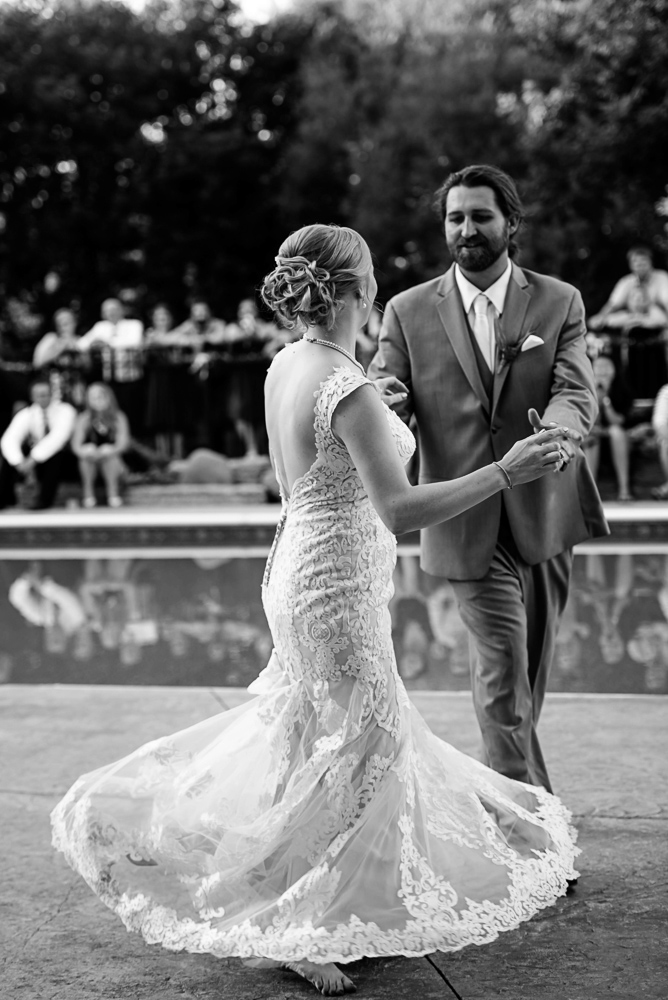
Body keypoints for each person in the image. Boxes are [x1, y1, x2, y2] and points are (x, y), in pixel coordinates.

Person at [53, 224, 579, 997]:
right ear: (356, 290)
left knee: (317, 736)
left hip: (297, 568)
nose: (377, 285)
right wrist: (507, 469)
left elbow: (303, 463)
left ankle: (301, 884)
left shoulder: (292, 366)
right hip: (334, 588)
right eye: (371, 275)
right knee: (359, 745)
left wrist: (375, 407)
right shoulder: (349, 386)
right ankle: (297, 919)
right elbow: (397, 511)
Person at [368, 163, 609, 793]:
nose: (466, 229)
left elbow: (575, 391)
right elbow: (381, 385)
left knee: (527, 678)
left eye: (480, 216)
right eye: (455, 217)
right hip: (464, 513)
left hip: (547, 508)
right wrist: (384, 399)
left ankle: (510, 801)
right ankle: (533, 826)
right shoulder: (407, 310)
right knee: (503, 675)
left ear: (510, 223)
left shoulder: (559, 301)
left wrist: (555, 436)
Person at [588, 246, 668, 398]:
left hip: (659, 326)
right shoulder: (627, 282)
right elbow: (613, 305)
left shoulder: (662, 278)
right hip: (633, 330)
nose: (640, 266)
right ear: (631, 265)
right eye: (636, 262)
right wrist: (600, 319)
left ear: (650, 262)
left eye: (643, 262)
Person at [0, 379, 76, 510]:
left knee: (55, 454)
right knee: (11, 455)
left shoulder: (66, 410)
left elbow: (57, 438)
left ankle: (44, 500)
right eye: (38, 394)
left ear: (52, 394)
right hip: (34, 464)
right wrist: (18, 462)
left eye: (45, 394)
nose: (42, 398)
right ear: (32, 396)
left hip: (65, 462)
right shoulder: (26, 414)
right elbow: (9, 439)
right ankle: (4, 499)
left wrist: (33, 459)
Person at [77, 298, 145, 433]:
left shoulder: (133, 324)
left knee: (133, 410)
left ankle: (135, 443)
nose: (111, 313)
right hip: (109, 379)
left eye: (114, 309)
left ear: (122, 310)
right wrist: (94, 344)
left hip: (131, 378)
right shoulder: (100, 327)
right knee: (113, 411)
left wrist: (106, 343)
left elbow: (134, 342)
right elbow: (82, 344)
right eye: (107, 310)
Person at [143, 304, 199, 460]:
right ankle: (162, 457)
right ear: (153, 320)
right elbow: (150, 346)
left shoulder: (178, 335)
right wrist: (175, 338)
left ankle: (178, 456)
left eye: (165, 317)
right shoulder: (150, 336)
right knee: (159, 418)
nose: (162, 320)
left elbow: (191, 344)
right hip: (157, 381)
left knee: (177, 418)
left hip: (176, 380)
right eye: (158, 317)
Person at [583, 354, 634, 501]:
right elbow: (589, 420)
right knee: (591, 437)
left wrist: (605, 400)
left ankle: (624, 490)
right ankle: (590, 492)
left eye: (607, 366)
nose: (602, 370)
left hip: (616, 434)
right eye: (598, 367)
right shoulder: (584, 389)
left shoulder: (623, 389)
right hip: (592, 433)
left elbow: (617, 421)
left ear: (615, 370)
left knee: (616, 432)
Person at [71, 383, 130, 508]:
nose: (97, 400)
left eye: (101, 396)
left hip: (115, 462)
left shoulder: (118, 417)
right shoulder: (84, 418)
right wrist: (85, 450)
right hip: (91, 462)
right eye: (93, 397)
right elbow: (76, 446)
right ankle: (88, 494)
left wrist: (111, 449)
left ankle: (113, 493)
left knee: (110, 457)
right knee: (85, 458)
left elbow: (123, 443)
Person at [32, 307, 86, 407]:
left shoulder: (80, 340)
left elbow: (88, 367)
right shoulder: (50, 338)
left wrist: (79, 349)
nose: (64, 324)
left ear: (75, 322)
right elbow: (37, 362)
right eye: (60, 321)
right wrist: (61, 346)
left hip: (77, 390)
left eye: (67, 320)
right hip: (55, 388)